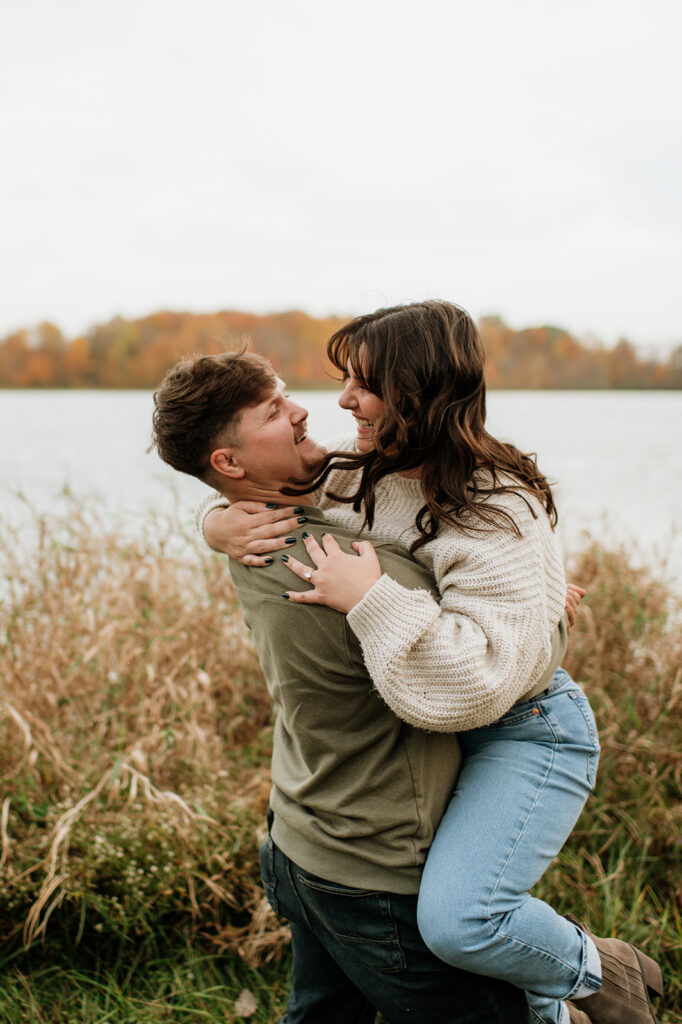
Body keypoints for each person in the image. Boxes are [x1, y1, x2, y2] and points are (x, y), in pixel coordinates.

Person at [198, 302, 663, 1024]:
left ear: (417, 392)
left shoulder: (496, 503)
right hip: (447, 728)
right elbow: (260, 483)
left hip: (523, 726)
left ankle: (601, 974)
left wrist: (370, 598)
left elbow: (475, 687)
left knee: (460, 922)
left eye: (363, 385)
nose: (343, 401)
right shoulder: (359, 470)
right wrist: (217, 522)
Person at [151, 350, 532, 1024]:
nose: (304, 410)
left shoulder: (256, 534)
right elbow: (487, 674)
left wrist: (214, 520)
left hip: (298, 838)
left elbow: (249, 495)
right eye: (274, 411)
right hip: (375, 869)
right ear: (229, 462)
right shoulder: (353, 569)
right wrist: (543, 609)